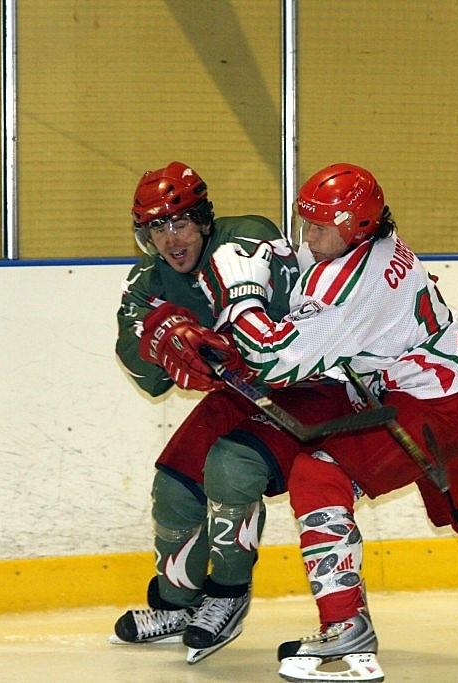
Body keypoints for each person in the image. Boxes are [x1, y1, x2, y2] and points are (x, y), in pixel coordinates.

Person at [198, 163, 458, 681]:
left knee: (318, 474)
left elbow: (272, 360)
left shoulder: (349, 284)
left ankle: (345, 626)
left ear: (355, 226)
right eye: (305, 222)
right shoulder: (377, 244)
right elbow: (318, 293)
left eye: (320, 226)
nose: (309, 236)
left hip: (433, 411)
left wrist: (243, 296)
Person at [112, 161, 358, 663]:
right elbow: (143, 371)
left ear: (204, 219)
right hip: (245, 391)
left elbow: (272, 323)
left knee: (230, 468)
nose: (170, 239)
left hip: (312, 384)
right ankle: (178, 603)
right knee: (175, 484)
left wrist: (213, 338)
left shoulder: (245, 238)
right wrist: (161, 342)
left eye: (180, 222)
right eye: (157, 228)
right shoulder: (148, 281)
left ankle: (227, 594)